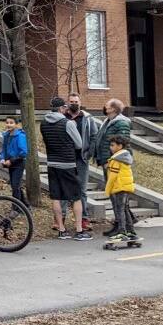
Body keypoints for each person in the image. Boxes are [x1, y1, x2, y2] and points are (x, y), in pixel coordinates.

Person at [40, 97, 87, 239]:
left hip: (52, 163)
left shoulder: (43, 123)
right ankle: (79, 230)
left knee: (56, 197)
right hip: (67, 163)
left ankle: (61, 229)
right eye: (64, 107)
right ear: (61, 108)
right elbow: (79, 144)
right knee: (76, 197)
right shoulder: (68, 123)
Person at [94, 99, 131, 234]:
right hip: (108, 162)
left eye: (107, 106)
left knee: (117, 196)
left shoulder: (120, 123)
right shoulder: (108, 122)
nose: (105, 107)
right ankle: (121, 224)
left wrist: (111, 161)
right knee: (114, 196)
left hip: (115, 164)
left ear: (113, 109)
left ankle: (123, 227)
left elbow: (123, 143)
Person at [66, 93, 98, 234]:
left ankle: (84, 219)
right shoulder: (63, 118)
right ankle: (61, 220)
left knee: (82, 190)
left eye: (76, 101)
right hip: (66, 159)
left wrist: (88, 153)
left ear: (80, 102)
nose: (74, 103)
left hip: (81, 159)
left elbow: (94, 136)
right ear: (67, 103)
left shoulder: (87, 118)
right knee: (65, 190)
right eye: (71, 101)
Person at [102, 136, 139, 249]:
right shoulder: (125, 157)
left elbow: (112, 177)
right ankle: (131, 231)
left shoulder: (116, 160)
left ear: (120, 146)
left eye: (112, 145)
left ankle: (122, 232)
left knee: (120, 209)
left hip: (120, 187)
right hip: (126, 186)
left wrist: (107, 190)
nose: (110, 147)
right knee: (125, 208)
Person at [0, 115, 28, 205]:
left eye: (11, 123)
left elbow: (23, 152)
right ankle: (25, 205)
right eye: (7, 123)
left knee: (15, 186)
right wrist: (2, 159)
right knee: (15, 185)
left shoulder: (20, 136)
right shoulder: (6, 135)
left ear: (16, 124)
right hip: (10, 163)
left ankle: (16, 208)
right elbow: (4, 149)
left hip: (18, 163)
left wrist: (11, 161)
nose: (9, 125)